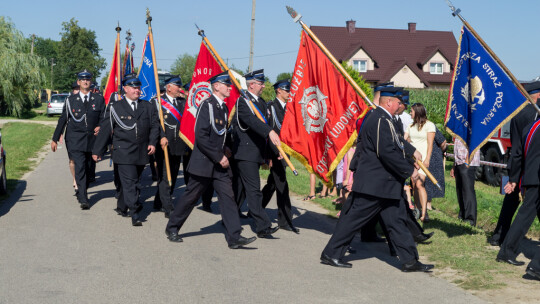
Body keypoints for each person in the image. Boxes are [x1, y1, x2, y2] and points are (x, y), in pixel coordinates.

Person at [320, 87, 433, 272]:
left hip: (385, 185)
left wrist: (412, 151)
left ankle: (410, 261)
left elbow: (397, 141)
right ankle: (331, 253)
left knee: (397, 223)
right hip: (374, 185)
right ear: (388, 102)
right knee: (352, 221)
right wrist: (409, 170)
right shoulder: (379, 119)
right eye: (397, 102)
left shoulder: (384, 119)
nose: (400, 105)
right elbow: (386, 152)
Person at [165, 72, 256, 249]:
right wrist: (218, 155)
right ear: (216, 86)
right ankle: (172, 227)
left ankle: (234, 236)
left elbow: (219, 135)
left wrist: (226, 148)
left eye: (230, 85)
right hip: (204, 162)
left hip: (219, 165)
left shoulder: (223, 107)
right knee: (191, 197)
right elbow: (201, 136)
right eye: (226, 85)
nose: (230, 88)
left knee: (228, 197)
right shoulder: (207, 105)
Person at [92, 74, 159, 226]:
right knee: (131, 182)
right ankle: (135, 211)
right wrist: (98, 151)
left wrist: (152, 142)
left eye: (138, 87)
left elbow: (155, 126)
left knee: (130, 181)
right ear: (126, 89)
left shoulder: (147, 106)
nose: (137, 90)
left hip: (142, 151)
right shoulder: (116, 107)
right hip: (123, 151)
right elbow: (105, 130)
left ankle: (122, 207)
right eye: (134, 88)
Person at [489, 81, 540, 246]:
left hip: (516, 162)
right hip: (527, 165)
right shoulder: (534, 114)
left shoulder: (519, 112)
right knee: (525, 206)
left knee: (511, 203)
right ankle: (506, 241)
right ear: (538, 95)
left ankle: (499, 236)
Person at [232, 69, 280, 238]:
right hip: (245, 152)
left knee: (241, 189)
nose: (264, 86)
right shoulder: (242, 102)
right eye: (260, 83)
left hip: (256, 153)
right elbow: (252, 122)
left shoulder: (261, 102)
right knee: (254, 190)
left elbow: (264, 130)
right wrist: (269, 131)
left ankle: (230, 217)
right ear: (251, 84)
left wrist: (270, 153)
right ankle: (262, 226)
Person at [51, 70, 105, 210]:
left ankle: (82, 189)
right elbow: (63, 119)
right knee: (80, 166)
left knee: (88, 168)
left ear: (91, 82)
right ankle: (83, 198)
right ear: (78, 82)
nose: (86, 81)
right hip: (75, 139)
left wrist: (100, 126)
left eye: (88, 79)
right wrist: (55, 138)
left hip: (91, 139)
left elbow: (103, 118)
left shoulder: (98, 99)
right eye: (83, 80)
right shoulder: (70, 100)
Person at [496, 113, 540, 265]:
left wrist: (514, 179)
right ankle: (507, 251)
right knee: (524, 217)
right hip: (537, 179)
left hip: (529, 176)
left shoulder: (529, 128)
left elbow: (517, 155)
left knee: (524, 215)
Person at [260, 79, 298, 233]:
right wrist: (268, 156)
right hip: (275, 153)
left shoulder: (289, 108)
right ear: (279, 91)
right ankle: (285, 221)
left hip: (285, 153)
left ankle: (256, 208)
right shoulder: (270, 107)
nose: (289, 93)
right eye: (286, 90)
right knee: (282, 184)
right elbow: (267, 133)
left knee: (272, 184)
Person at [151, 75, 188, 218]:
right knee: (165, 176)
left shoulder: (182, 102)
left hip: (178, 144)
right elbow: (155, 122)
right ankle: (168, 207)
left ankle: (158, 202)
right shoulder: (158, 102)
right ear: (169, 87)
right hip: (164, 144)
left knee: (172, 173)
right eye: (177, 86)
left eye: (180, 86)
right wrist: (161, 136)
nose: (180, 88)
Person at [405, 103, 435, 222]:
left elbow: (430, 144)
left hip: (423, 160)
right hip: (413, 160)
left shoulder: (429, 125)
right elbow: (404, 138)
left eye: (411, 111)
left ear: (417, 112)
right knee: (414, 184)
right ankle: (417, 210)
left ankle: (424, 212)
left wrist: (427, 159)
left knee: (419, 184)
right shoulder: (410, 126)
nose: (410, 113)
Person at [450, 138, 480, 226]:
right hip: (459, 162)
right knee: (460, 190)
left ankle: (470, 219)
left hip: (467, 162)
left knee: (468, 191)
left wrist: (467, 161)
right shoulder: (460, 128)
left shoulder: (471, 127)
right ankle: (462, 215)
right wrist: (454, 166)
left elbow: (474, 143)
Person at [425, 127, 447, 210]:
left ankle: (428, 204)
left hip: (432, 157)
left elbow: (442, 142)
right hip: (427, 156)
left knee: (429, 180)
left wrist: (442, 150)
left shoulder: (431, 126)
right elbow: (443, 143)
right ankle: (425, 204)